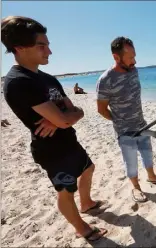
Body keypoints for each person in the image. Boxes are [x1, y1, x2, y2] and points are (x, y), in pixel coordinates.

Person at [1, 16, 107, 241]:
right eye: (42, 46)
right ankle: (82, 228)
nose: (49, 51)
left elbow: (75, 111)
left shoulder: (47, 78)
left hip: (69, 140)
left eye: (48, 45)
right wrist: (63, 118)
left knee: (88, 169)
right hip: (51, 150)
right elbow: (67, 117)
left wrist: (63, 118)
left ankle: (87, 203)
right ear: (19, 48)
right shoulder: (18, 82)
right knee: (66, 192)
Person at [96, 36, 156, 203]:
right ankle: (136, 187)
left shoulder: (133, 70)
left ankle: (151, 176)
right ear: (116, 57)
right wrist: (120, 122)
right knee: (131, 161)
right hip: (124, 131)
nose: (134, 61)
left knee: (147, 153)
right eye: (130, 58)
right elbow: (101, 110)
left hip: (143, 124)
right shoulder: (105, 80)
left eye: (134, 56)